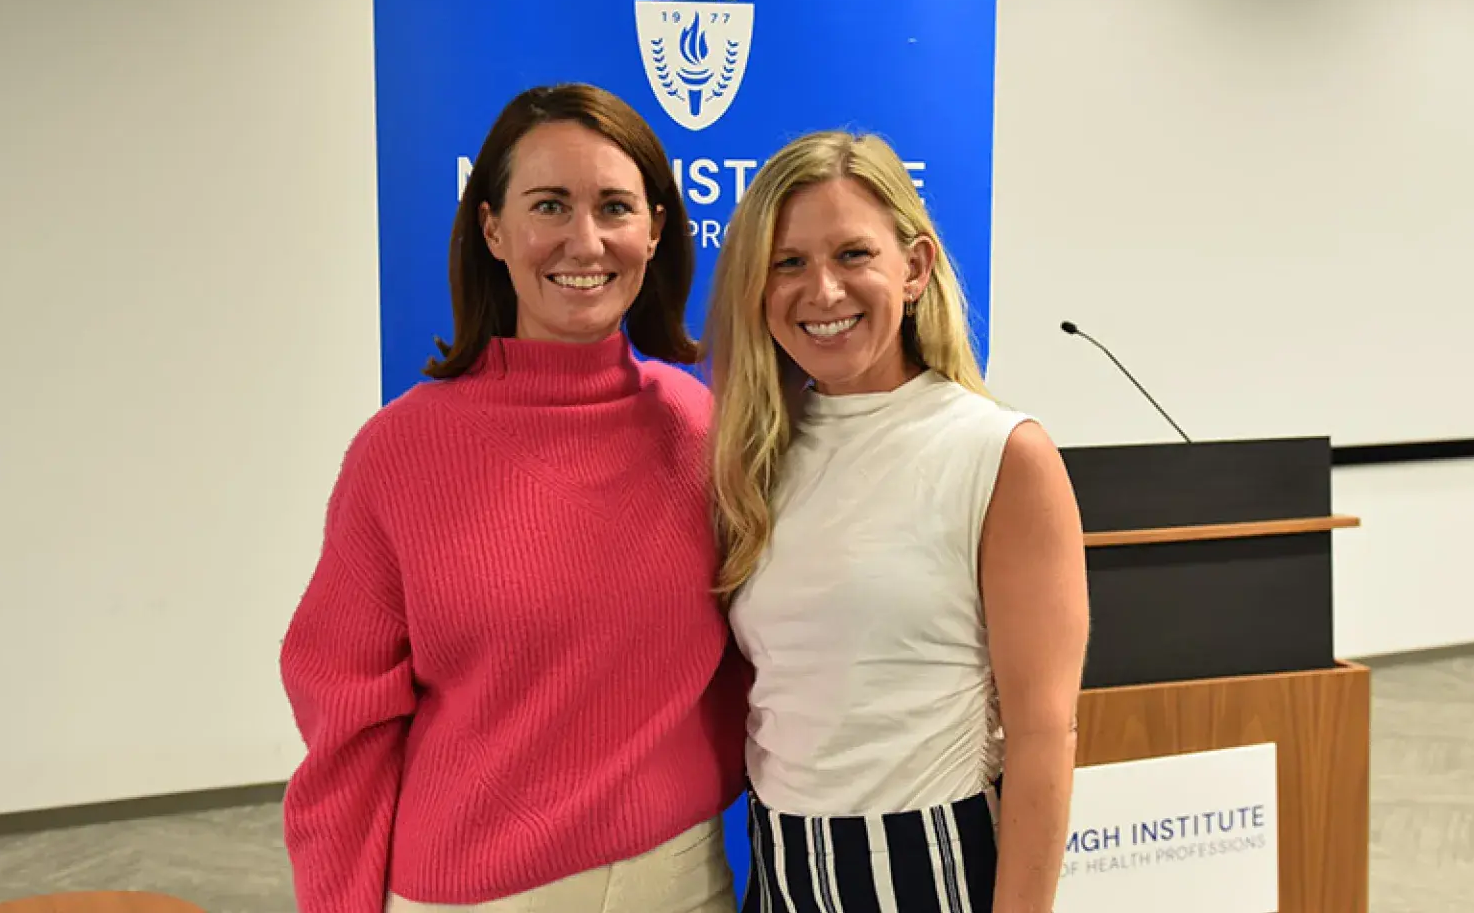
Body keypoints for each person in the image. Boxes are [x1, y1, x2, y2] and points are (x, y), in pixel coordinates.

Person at [278, 83, 747, 913]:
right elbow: (346, 725)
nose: (585, 239)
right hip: (476, 893)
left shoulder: (701, 430)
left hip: (678, 877)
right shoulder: (399, 453)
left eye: (614, 206)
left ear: (657, 229)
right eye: (549, 206)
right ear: (493, 228)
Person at [703, 130, 1090, 913]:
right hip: (782, 864)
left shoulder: (1001, 453)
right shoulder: (756, 454)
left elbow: (1044, 737)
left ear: (913, 268)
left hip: (931, 865)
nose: (823, 291)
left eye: (853, 255)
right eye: (788, 263)